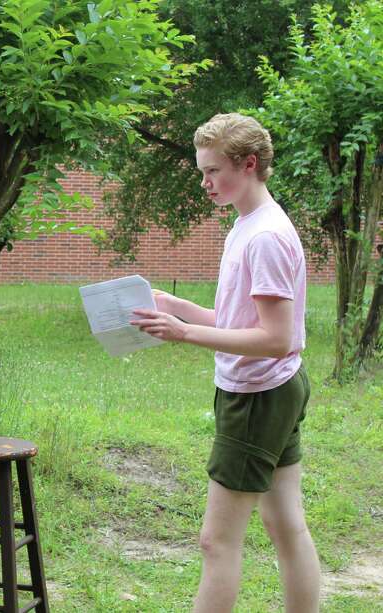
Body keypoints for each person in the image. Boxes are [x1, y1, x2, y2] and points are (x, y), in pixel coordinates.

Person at [130, 113, 320, 612]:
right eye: (202, 171)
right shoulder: (247, 224)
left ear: (249, 164)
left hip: (257, 396)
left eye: (213, 171)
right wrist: (175, 307)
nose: (205, 182)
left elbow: (276, 338)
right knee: (285, 524)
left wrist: (184, 333)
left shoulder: (265, 237)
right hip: (273, 388)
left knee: (217, 542)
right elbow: (241, 319)